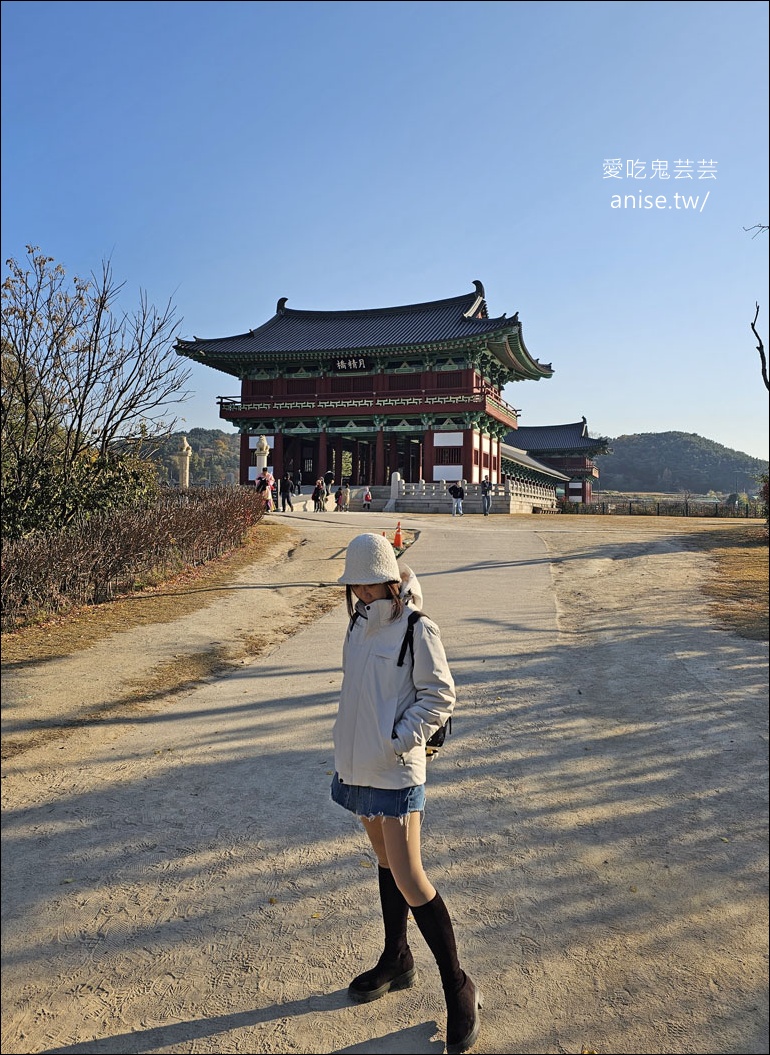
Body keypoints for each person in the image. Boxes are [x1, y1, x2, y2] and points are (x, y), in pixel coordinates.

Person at [331, 533, 481, 1054]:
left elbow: (440, 695)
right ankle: (397, 958)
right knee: (384, 861)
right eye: (353, 584)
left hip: (395, 770)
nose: (357, 591)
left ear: (385, 577)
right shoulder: (357, 624)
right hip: (358, 766)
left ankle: (458, 986)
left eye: (363, 581)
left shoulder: (417, 628)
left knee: (411, 876)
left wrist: (399, 740)